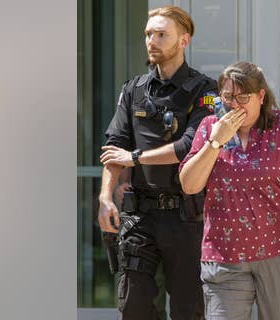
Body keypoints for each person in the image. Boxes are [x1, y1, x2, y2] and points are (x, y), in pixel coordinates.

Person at [96, 5, 217, 320]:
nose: (152, 40)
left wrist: (134, 158)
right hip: (139, 217)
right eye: (149, 34)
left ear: (183, 40)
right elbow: (114, 146)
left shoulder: (207, 92)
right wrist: (105, 198)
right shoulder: (133, 89)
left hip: (187, 217)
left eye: (162, 34)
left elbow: (191, 144)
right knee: (134, 306)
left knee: (189, 310)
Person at [179, 61, 280, 319]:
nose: (234, 105)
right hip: (225, 255)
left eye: (242, 97)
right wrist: (215, 142)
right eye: (227, 96)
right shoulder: (209, 127)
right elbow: (190, 185)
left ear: (260, 96)